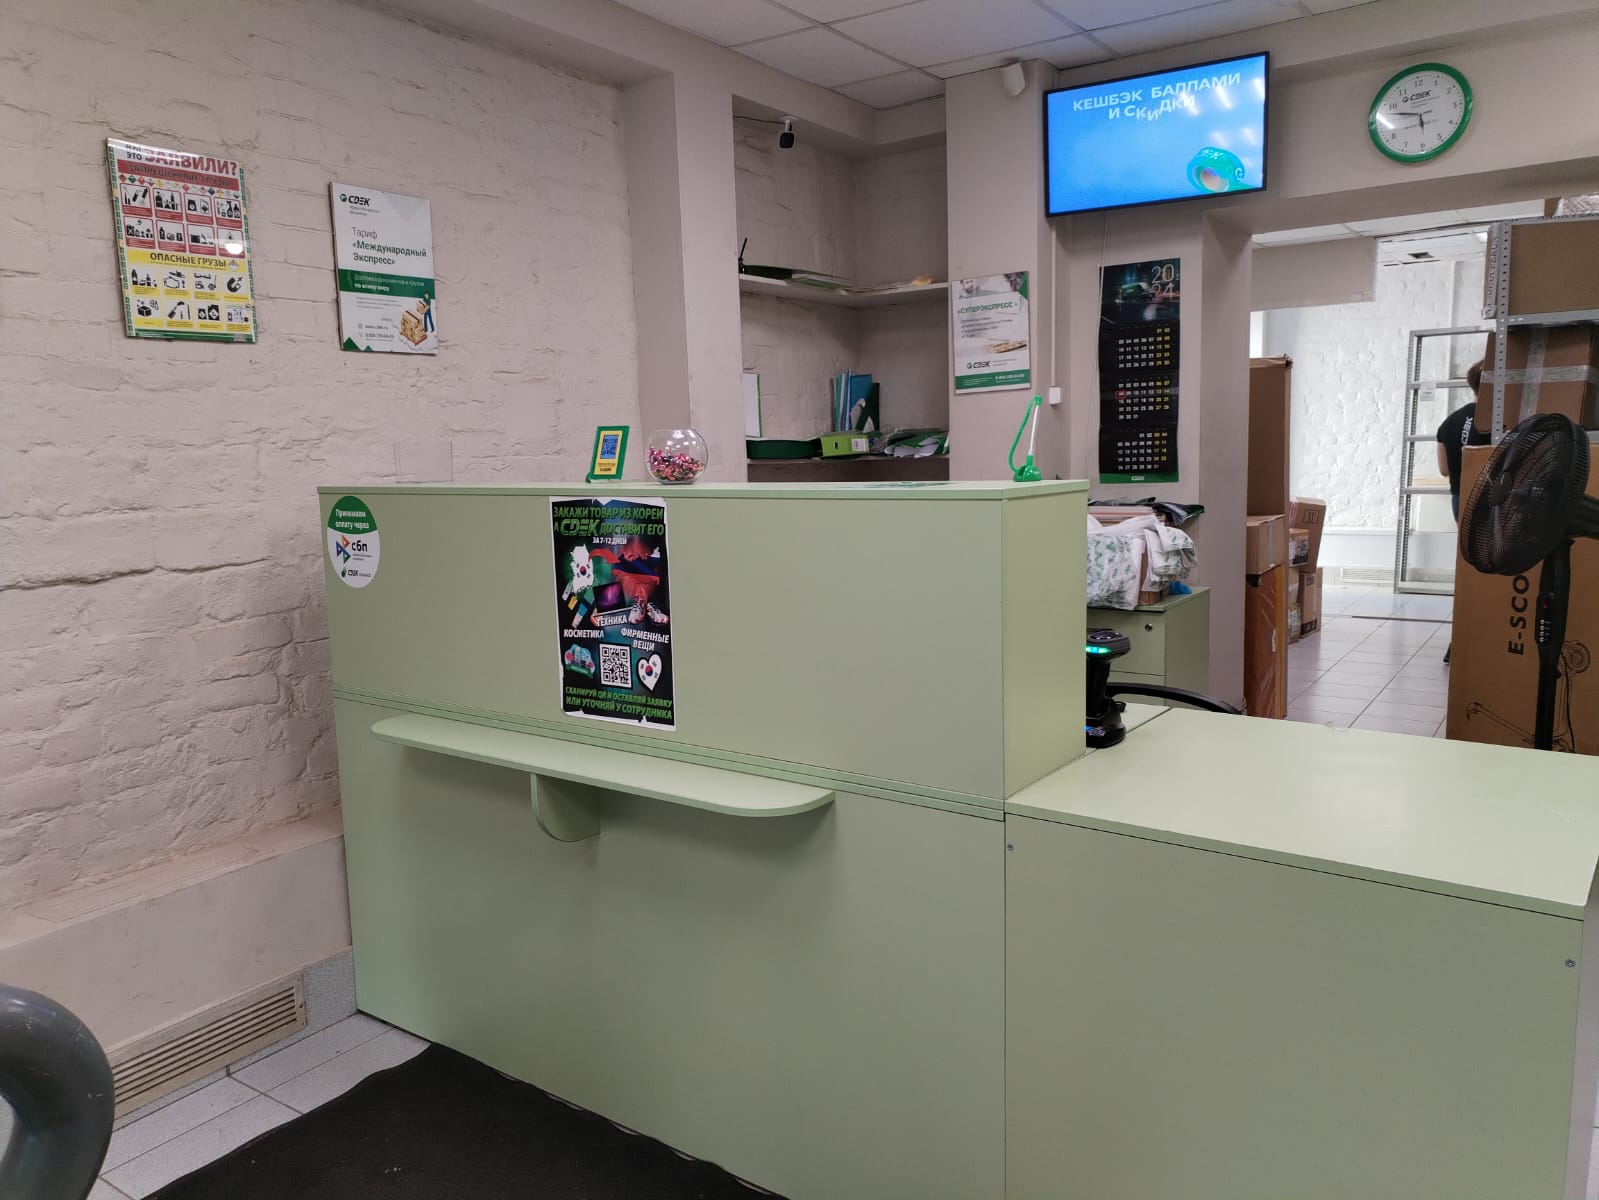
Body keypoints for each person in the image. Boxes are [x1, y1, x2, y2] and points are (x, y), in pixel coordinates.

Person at [1435, 361, 1490, 664]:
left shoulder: (1450, 422)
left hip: (1460, 499)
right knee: (1491, 568)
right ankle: (1477, 636)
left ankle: (1459, 639)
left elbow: (1444, 470)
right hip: (1489, 499)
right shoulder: (1498, 420)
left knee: (1469, 566)